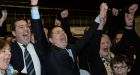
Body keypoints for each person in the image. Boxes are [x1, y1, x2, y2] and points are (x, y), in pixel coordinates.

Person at [30, 0, 107, 75]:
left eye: (63, 31)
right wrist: (34, 6)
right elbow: (38, 32)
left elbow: (87, 37)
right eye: (58, 32)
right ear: (51, 40)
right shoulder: (48, 52)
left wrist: (99, 17)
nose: (62, 33)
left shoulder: (72, 48)